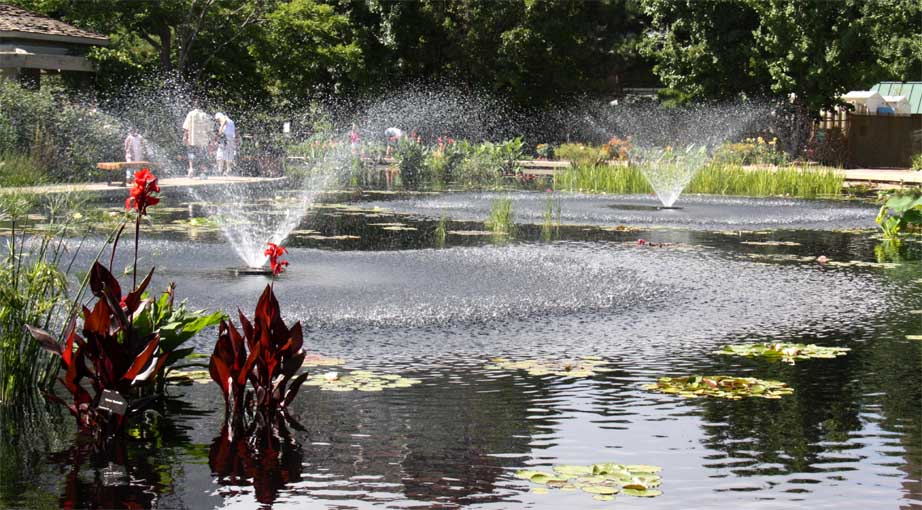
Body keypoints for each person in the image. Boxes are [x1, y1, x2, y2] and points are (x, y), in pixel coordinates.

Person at [182, 106, 213, 178]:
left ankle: (191, 169)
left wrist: (185, 136)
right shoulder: (205, 115)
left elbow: (186, 127)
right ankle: (202, 173)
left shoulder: (191, 114)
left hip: (192, 138)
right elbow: (209, 129)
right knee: (202, 155)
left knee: (191, 153)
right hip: (202, 140)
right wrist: (210, 139)